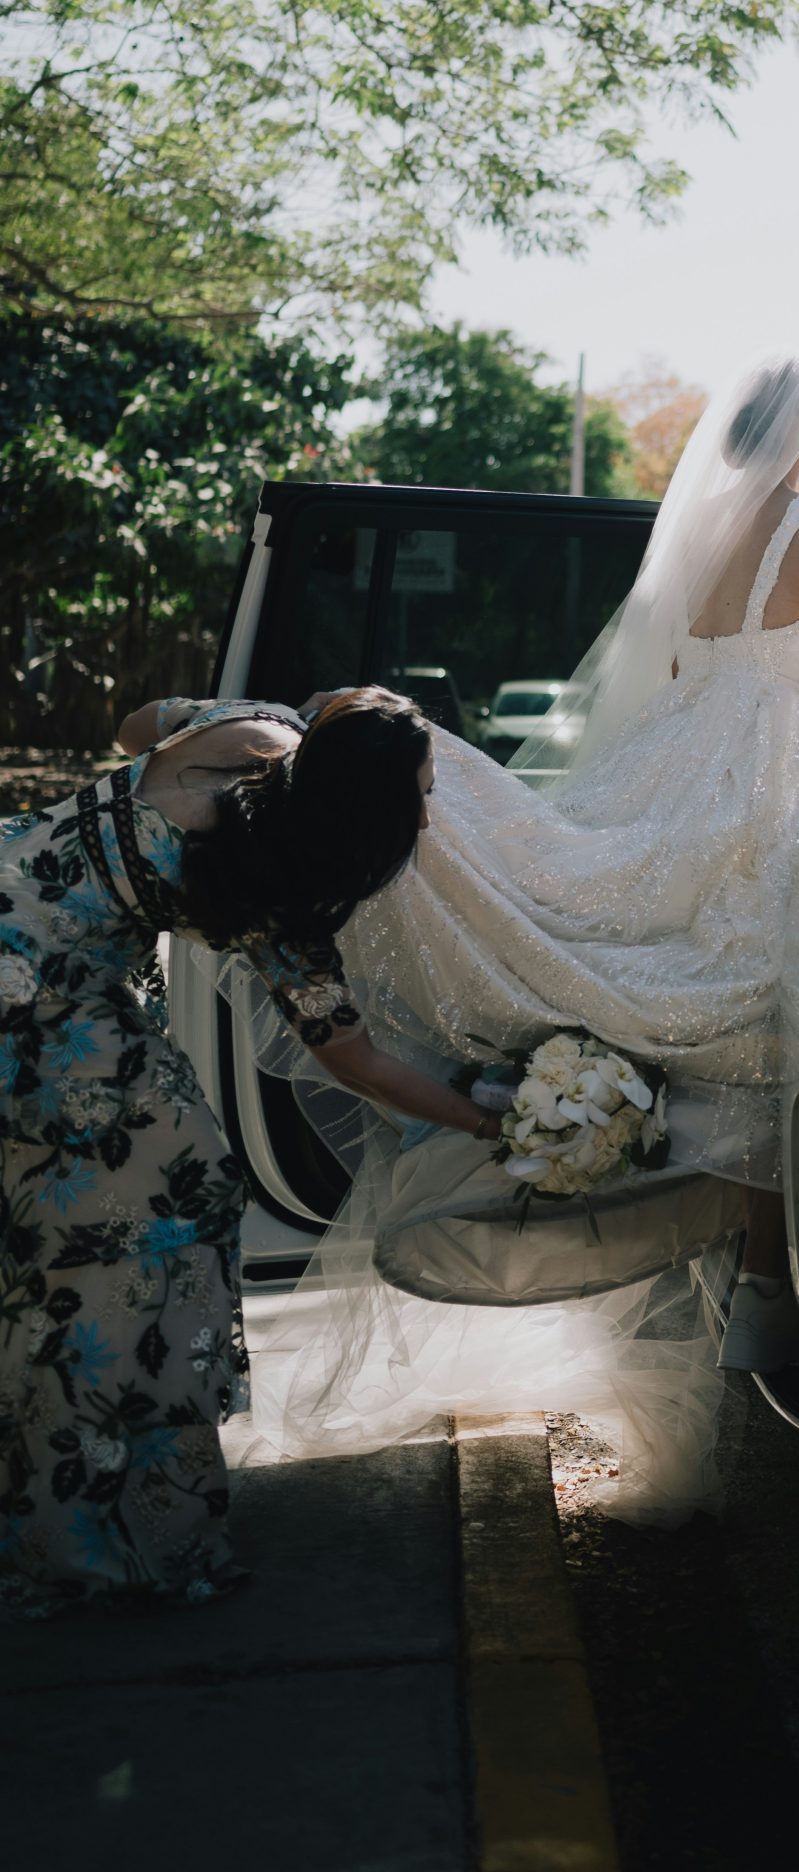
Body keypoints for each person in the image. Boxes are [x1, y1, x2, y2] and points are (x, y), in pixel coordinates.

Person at [292, 352, 799, 1495]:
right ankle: (764, 1284)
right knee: (766, 1016)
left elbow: (670, 673)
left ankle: (724, 1295)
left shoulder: (698, 533)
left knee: (670, 994)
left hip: (678, 775)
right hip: (770, 783)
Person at [0, 687, 487, 1618]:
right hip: (42, 1014)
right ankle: (119, 1536)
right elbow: (359, 1062)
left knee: (56, 1243)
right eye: (419, 799)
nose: (427, 815)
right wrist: (486, 1121)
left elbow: (134, 724)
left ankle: (61, 1494)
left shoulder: (250, 725)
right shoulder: (274, 877)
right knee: (171, 1218)